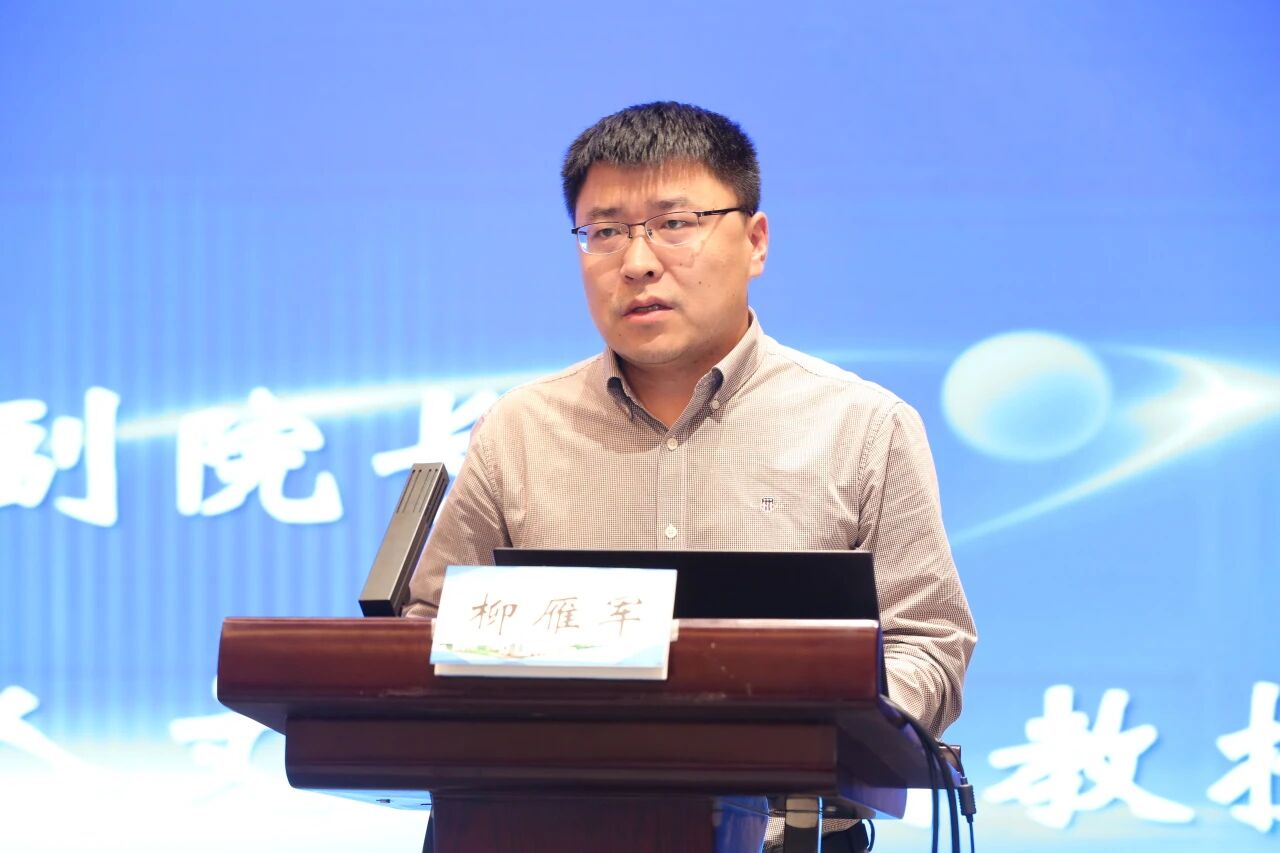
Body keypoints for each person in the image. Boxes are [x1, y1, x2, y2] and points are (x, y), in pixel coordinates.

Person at [405, 101, 976, 852]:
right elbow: (431, 632)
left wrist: (825, 725)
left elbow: (927, 642)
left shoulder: (864, 425)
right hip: (551, 831)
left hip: (789, 835)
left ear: (756, 241)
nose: (636, 261)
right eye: (604, 231)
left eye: (674, 223)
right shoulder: (520, 428)